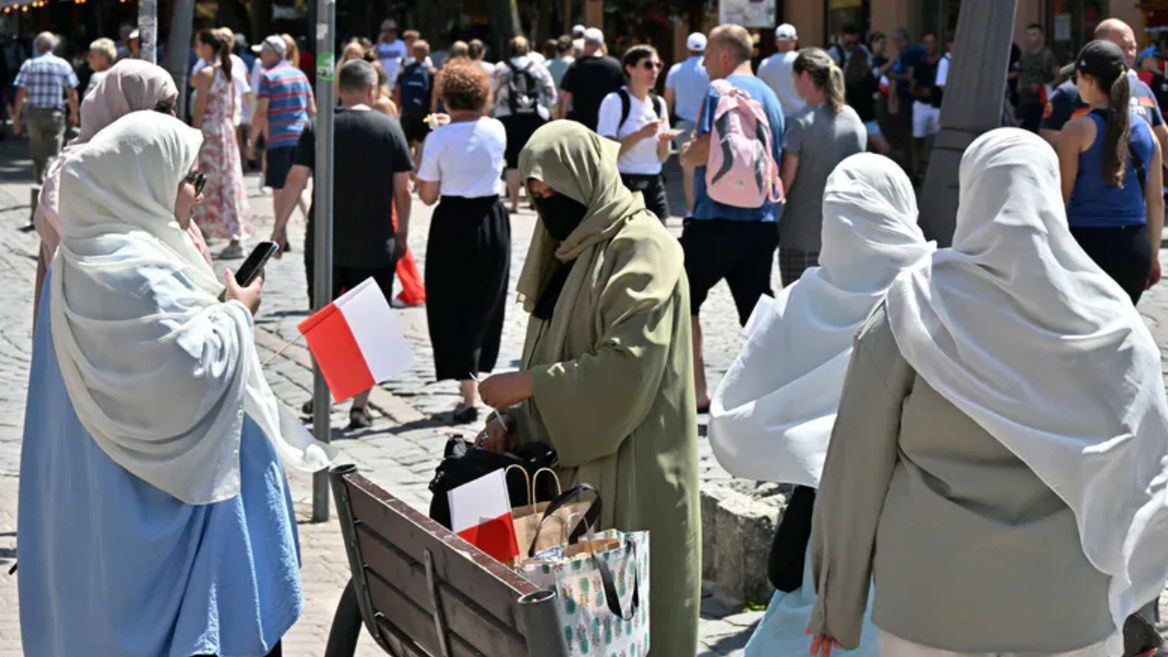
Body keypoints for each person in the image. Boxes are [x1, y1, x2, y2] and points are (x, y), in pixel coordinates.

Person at [808, 127, 1168, 657]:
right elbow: (1144, 479)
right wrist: (1139, 616)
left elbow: (853, 467)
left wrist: (835, 606)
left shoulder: (911, 309)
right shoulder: (1111, 322)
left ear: (970, 193)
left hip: (928, 605)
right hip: (1069, 608)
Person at [19, 109, 333, 657]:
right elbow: (194, 372)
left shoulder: (80, 258)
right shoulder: (137, 270)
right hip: (180, 523)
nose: (197, 194)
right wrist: (238, 312)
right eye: (190, 179)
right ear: (146, 182)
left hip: (106, 501)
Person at [477, 120, 700, 657]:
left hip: (631, 471)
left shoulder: (644, 248)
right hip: (571, 475)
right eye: (534, 194)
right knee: (577, 633)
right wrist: (514, 418)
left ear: (587, 179)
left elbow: (626, 371)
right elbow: (552, 345)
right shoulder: (571, 242)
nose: (544, 204)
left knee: (629, 628)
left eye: (553, 191)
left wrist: (526, 386)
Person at [710, 153, 933, 657]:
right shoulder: (933, 290)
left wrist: (804, 444)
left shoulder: (800, 300)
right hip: (915, 514)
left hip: (827, 518)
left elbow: (740, 411)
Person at [272, 60, 414, 430]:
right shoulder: (388, 128)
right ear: (372, 90)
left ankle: (323, 392)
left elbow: (295, 180)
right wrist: (402, 235)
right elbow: (403, 189)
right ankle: (358, 406)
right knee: (370, 323)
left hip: (325, 242)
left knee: (324, 319)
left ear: (339, 90)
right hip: (375, 240)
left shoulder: (317, 126)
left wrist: (279, 227)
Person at [33, 60, 211, 324]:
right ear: (123, 108)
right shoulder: (69, 177)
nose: (171, 117)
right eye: (162, 107)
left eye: (173, 106)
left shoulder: (152, 163)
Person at [680, 24, 784, 410]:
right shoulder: (771, 98)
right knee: (757, 310)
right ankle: (772, 391)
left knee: (683, 298)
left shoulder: (719, 90)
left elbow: (707, 148)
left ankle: (697, 390)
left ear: (724, 55)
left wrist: (685, 155)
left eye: (707, 54)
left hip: (715, 220)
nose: (704, 63)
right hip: (761, 221)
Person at [416, 60, 510, 425]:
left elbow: (427, 195)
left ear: (446, 96)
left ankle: (468, 393)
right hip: (492, 218)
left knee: (451, 304)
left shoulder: (437, 137)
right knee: (485, 300)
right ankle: (477, 383)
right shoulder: (497, 128)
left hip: (453, 221)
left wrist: (435, 141)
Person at [1055, 40, 1163, 305]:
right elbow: (1156, 201)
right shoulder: (1147, 132)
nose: (1075, 84)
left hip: (1086, 247)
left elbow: (1061, 197)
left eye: (1077, 77)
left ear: (1089, 80)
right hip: (1134, 249)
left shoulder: (1076, 131)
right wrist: (1152, 256)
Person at [780, 48, 866, 286]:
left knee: (798, 304)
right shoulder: (853, 119)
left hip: (801, 233)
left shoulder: (798, 122)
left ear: (805, 76)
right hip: (842, 233)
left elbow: (784, 183)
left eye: (794, 77)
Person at [1042, 17, 1168, 157]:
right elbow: (1048, 140)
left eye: (1132, 47)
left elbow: (1162, 142)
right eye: (1121, 47)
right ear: (1100, 47)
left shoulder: (1143, 89)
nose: (1129, 53)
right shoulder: (1067, 93)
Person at [247, 35, 315, 260]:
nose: (261, 57)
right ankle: (311, 226)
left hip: (279, 140)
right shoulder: (300, 74)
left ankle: (281, 236)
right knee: (300, 187)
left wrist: (252, 141)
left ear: (273, 53)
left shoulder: (268, 77)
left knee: (279, 188)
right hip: (302, 137)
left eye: (263, 53)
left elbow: (261, 111)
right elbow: (312, 109)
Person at [192, 28, 253, 257]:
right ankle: (232, 234)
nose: (196, 49)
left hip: (210, 133)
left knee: (203, 182)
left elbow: (199, 110)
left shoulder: (206, 74)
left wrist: (193, 136)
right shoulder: (226, 72)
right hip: (225, 132)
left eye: (198, 44)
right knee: (228, 183)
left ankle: (206, 231)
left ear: (207, 47)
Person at [597, 44, 672, 220]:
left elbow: (663, 157)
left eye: (658, 65)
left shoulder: (658, 103)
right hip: (624, 184)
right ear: (630, 68)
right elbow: (607, 154)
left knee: (660, 243)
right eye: (648, 65)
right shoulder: (615, 101)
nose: (654, 70)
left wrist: (664, 141)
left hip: (654, 182)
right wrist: (641, 134)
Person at [491, 36, 556, 213]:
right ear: (528, 48)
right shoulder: (538, 67)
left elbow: (492, 93)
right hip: (535, 117)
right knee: (535, 161)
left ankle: (513, 204)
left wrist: (493, 111)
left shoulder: (501, 68)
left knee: (512, 161)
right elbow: (551, 93)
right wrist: (549, 110)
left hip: (508, 117)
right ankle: (534, 202)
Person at [13, 32, 79, 184]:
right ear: (53, 47)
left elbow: (20, 93)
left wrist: (17, 117)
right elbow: (72, 92)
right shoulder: (62, 64)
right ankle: (51, 182)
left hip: (33, 114)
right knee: (54, 149)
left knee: (37, 148)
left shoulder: (29, 65)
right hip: (55, 114)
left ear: (38, 46)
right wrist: (74, 114)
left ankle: (39, 179)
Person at [665, 32, 709, 215]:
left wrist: (666, 124)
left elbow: (668, 99)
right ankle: (707, 209)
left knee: (688, 171)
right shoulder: (709, 70)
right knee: (709, 168)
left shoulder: (676, 70)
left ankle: (691, 211)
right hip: (706, 124)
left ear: (687, 48)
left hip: (683, 124)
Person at [557, 27, 623, 130]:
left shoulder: (576, 66)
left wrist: (561, 123)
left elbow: (565, 96)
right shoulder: (615, 65)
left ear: (585, 44)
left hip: (582, 124)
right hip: (609, 122)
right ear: (601, 44)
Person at [396, 39, 437, 169]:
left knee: (406, 142)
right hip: (426, 113)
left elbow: (397, 90)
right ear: (428, 53)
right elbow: (435, 93)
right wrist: (433, 110)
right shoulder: (432, 72)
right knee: (423, 143)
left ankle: (407, 170)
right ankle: (418, 169)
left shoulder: (405, 71)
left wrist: (398, 107)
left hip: (407, 111)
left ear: (412, 52)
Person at [908, 33, 943, 179]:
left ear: (936, 44)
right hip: (921, 105)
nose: (929, 46)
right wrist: (917, 91)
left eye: (931, 43)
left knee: (936, 139)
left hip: (937, 105)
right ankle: (916, 172)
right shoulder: (920, 63)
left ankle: (933, 171)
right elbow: (913, 82)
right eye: (926, 43)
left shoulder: (942, 63)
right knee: (918, 138)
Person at [845, 44, 889, 155]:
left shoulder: (847, 76)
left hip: (853, 118)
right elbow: (876, 94)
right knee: (884, 149)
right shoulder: (868, 75)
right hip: (868, 117)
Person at [1017, 23, 1059, 133]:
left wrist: (1043, 87)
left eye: (1034, 34)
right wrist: (1019, 84)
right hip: (1025, 101)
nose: (1031, 37)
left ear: (1041, 37)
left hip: (1040, 103)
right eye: (1029, 34)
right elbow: (1022, 72)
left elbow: (1058, 76)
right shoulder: (1024, 56)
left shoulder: (1047, 55)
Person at [758, 23, 805, 117]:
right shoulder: (803, 61)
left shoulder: (765, 64)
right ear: (795, 40)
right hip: (802, 115)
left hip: (776, 116)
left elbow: (760, 92)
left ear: (776, 42)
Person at [375, 20, 408, 89]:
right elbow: (373, 59)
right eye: (389, 30)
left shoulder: (402, 44)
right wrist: (379, 43)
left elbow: (405, 61)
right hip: (382, 84)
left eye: (394, 30)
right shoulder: (378, 46)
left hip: (398, 84)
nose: (393, 33)